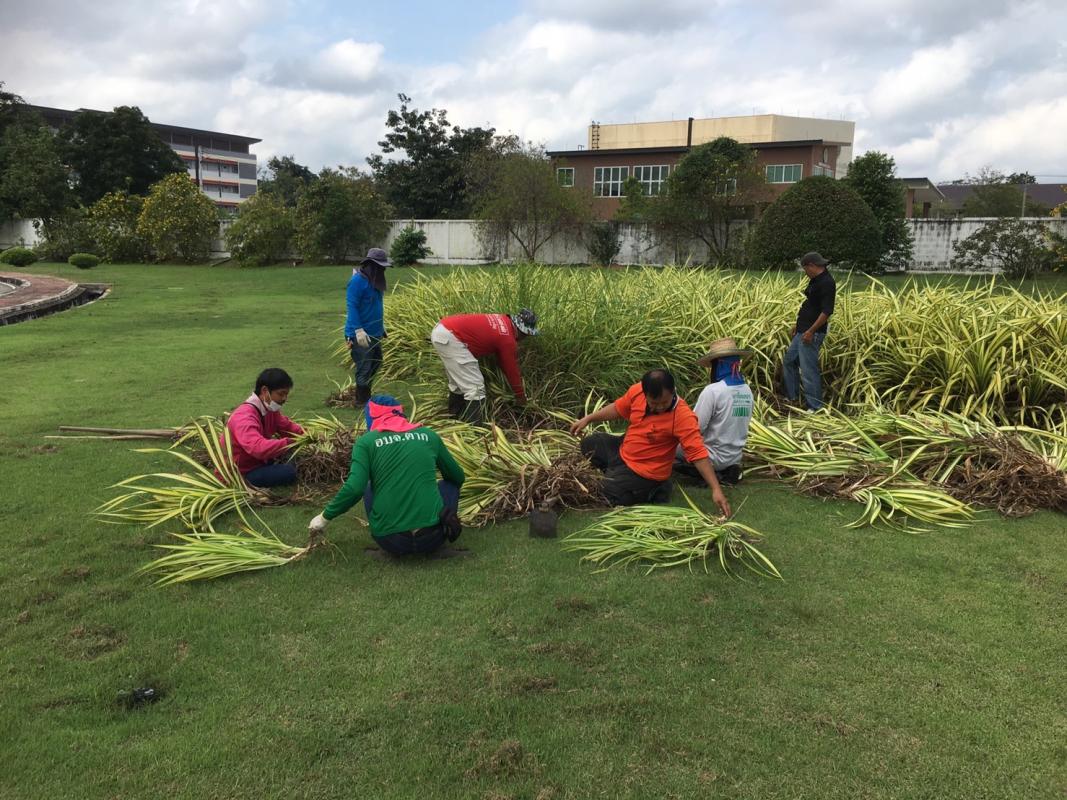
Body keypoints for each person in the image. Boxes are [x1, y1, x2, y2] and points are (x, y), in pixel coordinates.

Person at [308, 396, 467, 558]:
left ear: (372, 417)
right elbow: (458, 477)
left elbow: (355, 488)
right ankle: (440, 536)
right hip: (432, 538)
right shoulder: (429, 435)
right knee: (449, 484)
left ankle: (387, 546)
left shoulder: (366, 442)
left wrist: (324, 518)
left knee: (369, 486)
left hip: (391, 541)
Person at [569, 369, 732, 518]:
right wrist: (589, 418)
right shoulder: (637, 391)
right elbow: (619, 408)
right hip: (624, 449)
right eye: (654, 403)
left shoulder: (683, 417)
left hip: (646, 470)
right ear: (644, 393)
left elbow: (698, 454)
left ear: (673, 392)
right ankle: (619, 477)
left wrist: (716, 489)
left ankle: (653, 488)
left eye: (665, 402)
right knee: (590, 444)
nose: (660, 407)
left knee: (603, 492)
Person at [430, 309, 539, 423]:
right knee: (475, 388)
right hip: (452, 337)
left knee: (458, 384)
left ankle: (454, 422)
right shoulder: (507, 339)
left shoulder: (503, 319)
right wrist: (520, 396)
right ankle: (474, 433)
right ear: (522, 331)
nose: (524, 339)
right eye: (526, 335)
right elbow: (511, 369)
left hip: (443, 329)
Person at [674, 338, 754, 486]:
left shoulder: (713, 391)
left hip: (711, 456)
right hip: (734, 457)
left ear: (719, 365)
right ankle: (727, 471)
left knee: (669, 445)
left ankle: (708, 473)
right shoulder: (747, 390)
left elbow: (695, 427)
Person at [223, 368, 304, 488]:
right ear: (265, 390)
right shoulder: (244, 417)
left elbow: (287, 427)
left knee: (299, 460)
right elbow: (258, 448)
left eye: (286, 394)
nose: (284, 399)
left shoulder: (270, 409)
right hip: (241, 473)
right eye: (281, 394)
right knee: (291, 471)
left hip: (258, 463)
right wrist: (290, 442)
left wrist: (308, 435)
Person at [783, 251, 837, 410]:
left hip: (811, 334)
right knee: (789, 361)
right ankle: (792, 397)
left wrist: (811, 331)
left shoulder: (827, 283)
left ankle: (814, 407)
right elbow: (810, 305)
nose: (805, 273)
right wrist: (798, 325)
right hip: (803, 329)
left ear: (811, 266)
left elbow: (826, 311)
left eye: (805, 270)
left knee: (808, 370)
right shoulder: (816, 280)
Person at [345, 247, 391, 408]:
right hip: (360, 334)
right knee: (364, 366)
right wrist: (357, 330)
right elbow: (352, 306)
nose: (383, 270)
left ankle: (365, 393)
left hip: (375, 332)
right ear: (371, 265)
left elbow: (374, 306)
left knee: (376, 361)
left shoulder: (375, 282)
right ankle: (361, 401)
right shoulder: (357, 281)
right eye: (380, 266)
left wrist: (381, 325)